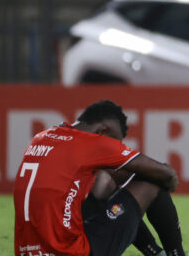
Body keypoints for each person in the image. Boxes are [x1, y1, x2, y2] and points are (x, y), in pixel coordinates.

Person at [13, 100, 180, 256]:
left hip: (30, 250)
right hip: (70, 251)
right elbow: (166, 174)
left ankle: (156, 252)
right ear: (102, 132)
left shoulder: (42, 137)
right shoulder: (92, 143)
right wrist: (168, 184)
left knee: (102, 183)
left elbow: (102, 178)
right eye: (116, 142)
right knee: (153, 180)